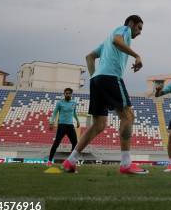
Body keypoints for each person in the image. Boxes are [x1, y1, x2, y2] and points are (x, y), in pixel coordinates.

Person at [63, 15, 147, 175]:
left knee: (99, 125)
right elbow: (117, 40)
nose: (140, 32)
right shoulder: (123, 30)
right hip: (110, 77)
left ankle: (71, 161)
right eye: (139, 28)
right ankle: (126, 163)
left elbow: (89, 57)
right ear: (131, 24)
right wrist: (136, 56)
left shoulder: (106, 42)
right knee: (128, 116)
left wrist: (96, 76)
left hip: (97, 81)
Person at [48, 88, 80, 165]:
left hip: (70, 125)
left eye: (69, 93)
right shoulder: (60, 103)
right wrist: (51, 122)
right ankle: (49, 161)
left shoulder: (74, 103)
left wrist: (77, 121)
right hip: (62, 125)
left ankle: (72, 161)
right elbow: (55, 113)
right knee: (56, 143)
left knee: (75, 143)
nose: (68, 94)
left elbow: (74, 113)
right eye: (66, 93)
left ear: (71, 94)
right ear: (64, 94)